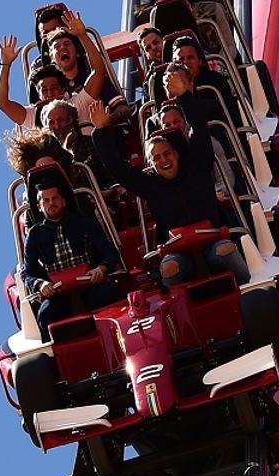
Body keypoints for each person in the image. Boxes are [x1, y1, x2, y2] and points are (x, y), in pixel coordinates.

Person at [89, 70, 248, 287]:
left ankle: (247, 288)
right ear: (151, 164)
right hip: (179, 252)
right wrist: (100, 131)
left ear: (176, 154)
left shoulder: (197, 165)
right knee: (170, 267)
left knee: (225, 250)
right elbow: (117, 168)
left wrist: (184, 95)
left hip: (213, 240)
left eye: (166, 154)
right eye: (156, 158)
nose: (163, 160)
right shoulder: (149, 183)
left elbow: (200, 130)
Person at [20, 182, 122, 342]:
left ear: (64, 201)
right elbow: (28, 272)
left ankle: (116, 341)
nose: (51, 203)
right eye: (45, 200)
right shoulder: (35, 234)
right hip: (58, 293)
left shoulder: (84, 222)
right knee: (47, 313)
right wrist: (41, 285)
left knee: (106, 295)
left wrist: (101, 269)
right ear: (39, 206)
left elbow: (110, 253)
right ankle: (61, 360)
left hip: (91, 284)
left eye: (54, 198)